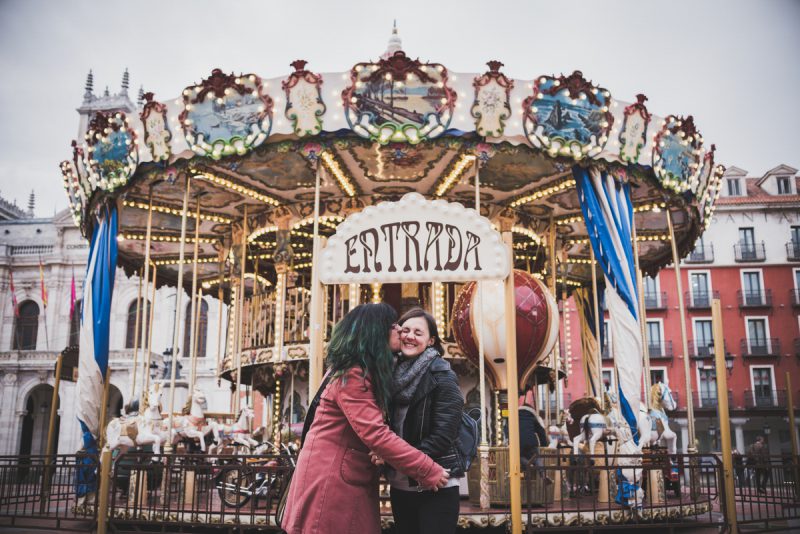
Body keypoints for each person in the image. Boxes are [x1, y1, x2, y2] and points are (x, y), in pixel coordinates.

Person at [281, 303, 449, 534]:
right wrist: (427, 469)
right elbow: (376, 433)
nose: (400, 330)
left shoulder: (356, 369)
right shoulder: (354, 373)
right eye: (393, 325)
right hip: (333, 479)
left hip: (342, 473)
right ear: (376, 332)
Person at [385, 308, 464, 534]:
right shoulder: (390, 375)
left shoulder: (443, 376)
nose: (410, 336)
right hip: (401, 485)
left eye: (418, 333)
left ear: (431, 341)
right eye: (405, 330)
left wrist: (399, 459)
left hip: (436, 484)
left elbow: (444, 434)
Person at [518, 389, 548, 466]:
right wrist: (544, 444)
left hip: (519, 442)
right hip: (532, 442)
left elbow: (507, 430)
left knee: (519, 457)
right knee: (536, 457)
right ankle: (541, 471)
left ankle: (529, 465)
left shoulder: (515, 418)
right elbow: (541, 431)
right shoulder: (532, 417)